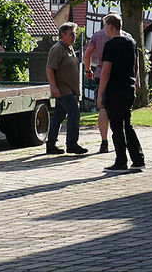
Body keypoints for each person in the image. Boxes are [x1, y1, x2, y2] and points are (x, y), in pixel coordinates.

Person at [97, 13, 145, 173]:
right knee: (128, 124)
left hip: (115, 89)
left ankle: (121, 161)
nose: (105, 29)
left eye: (105, 26)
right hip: (128, 87)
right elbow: (136, 65)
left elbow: (106, 71)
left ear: (111, 26)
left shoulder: (110, 45)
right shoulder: (131, 42)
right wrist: (137, 81)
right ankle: (138, 159)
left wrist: (100, 93)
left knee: (117, 126)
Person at [45, 22, 87, 155]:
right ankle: (72, 144)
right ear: (63, 34)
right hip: (63, 90)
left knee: (58, 117)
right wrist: (54, 87)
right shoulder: (57, 49)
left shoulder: (69, 48)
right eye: (72, 34)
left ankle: (51, 145)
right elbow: (50, 68)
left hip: (70, 89)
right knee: (74, 113)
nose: (74, 36)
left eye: (75, 34)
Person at [83, 22, 114, 153]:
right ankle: (120, 138)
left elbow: (87, 55)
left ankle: (104, 142)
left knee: (102, 107)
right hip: (118, 76)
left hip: (101, 74)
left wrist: (88, 70)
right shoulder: (124, 35)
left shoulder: (97, 35)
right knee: (118, 109)